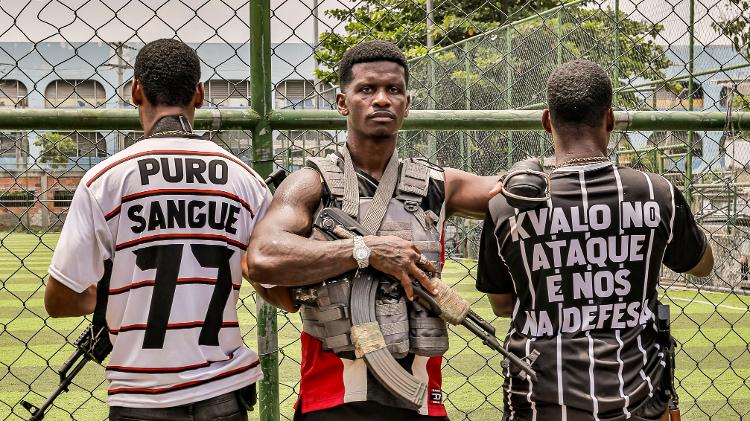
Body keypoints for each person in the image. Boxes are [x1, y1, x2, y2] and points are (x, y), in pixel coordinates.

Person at [246, 40, 505, 420]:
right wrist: (365, 250)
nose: (381, 99)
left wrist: (530, 174)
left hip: (420, 402)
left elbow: (508, 192)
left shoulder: (438, 184)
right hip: (332, 401)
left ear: (407, 104)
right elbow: (262, 257)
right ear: (341, 102)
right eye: (367, 89)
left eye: (393, 90)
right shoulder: (310, 183)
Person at [44, 39, 271, 421]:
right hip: (223, 394)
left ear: (136, 90)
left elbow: (60, 300)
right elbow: (277, 287)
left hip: (141, 396)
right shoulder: (245, 179)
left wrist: (108, 296)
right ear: (199, 94)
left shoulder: (106, 179)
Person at [476, 59, 714, 421]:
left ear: (546, 121)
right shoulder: (656, 192)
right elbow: (701, 264)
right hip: (635, 397)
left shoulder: (508, 203)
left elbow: (502, 304)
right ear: (610, 120)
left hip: (539, 400)